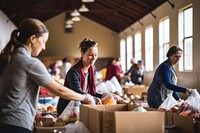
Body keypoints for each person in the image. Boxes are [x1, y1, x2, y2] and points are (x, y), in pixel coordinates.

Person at [0, 18, 94, 133]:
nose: (44, 47)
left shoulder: (10, 57)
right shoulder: (29, 62)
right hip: (17, 125)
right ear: (33, 39)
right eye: (43, 41)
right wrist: (85, 97)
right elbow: (59, 90)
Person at [57, 37, 103, 115]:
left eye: (96, 55)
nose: (94, 58)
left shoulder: (92, 69)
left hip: (80, 106)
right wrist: (94, 99)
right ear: (82, 54)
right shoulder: (74, 72)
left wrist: (106, 96)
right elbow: (77, 93)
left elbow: (91, 92)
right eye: (90, 55)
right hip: (67, 108)